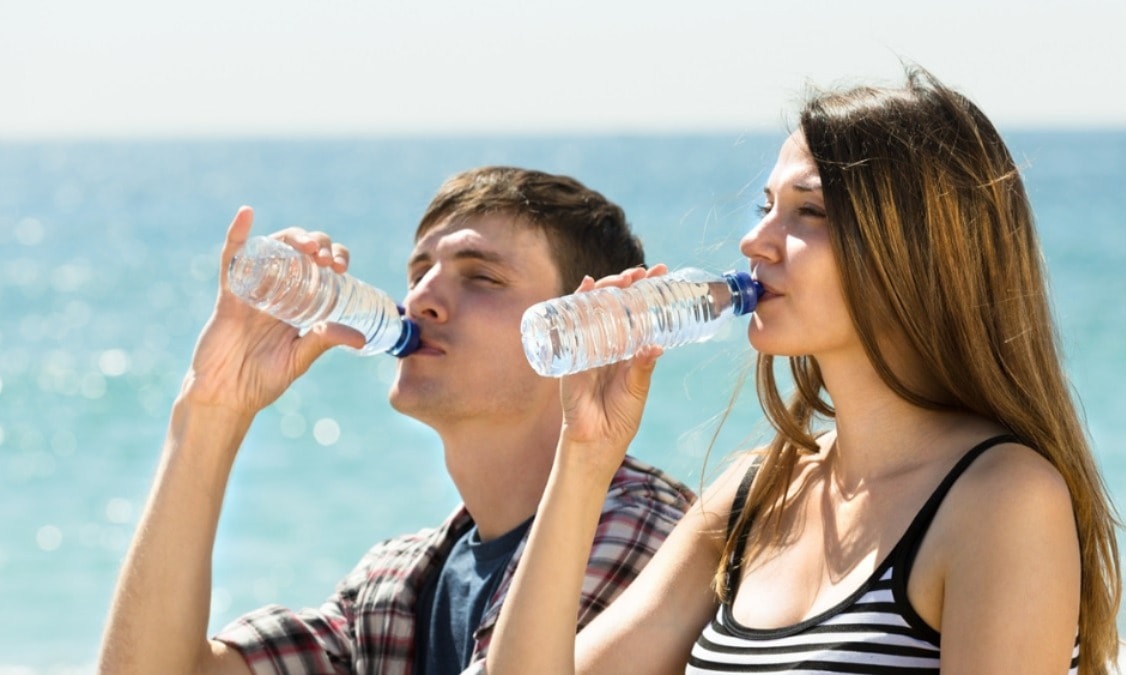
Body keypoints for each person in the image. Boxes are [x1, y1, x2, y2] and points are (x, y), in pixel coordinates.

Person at [480, 68, 1122, 675]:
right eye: (766, 206)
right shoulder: (756, 494)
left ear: (918, 248)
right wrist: (585, 456)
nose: (755, 240)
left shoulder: (1002, 497)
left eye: (807, 211)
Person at [98, 166, 696, 674]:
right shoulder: (398, 580)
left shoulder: (644, 531)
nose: (421, 300)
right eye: (418, 274)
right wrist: (209, 412)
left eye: (482, 277)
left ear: (585, 332)